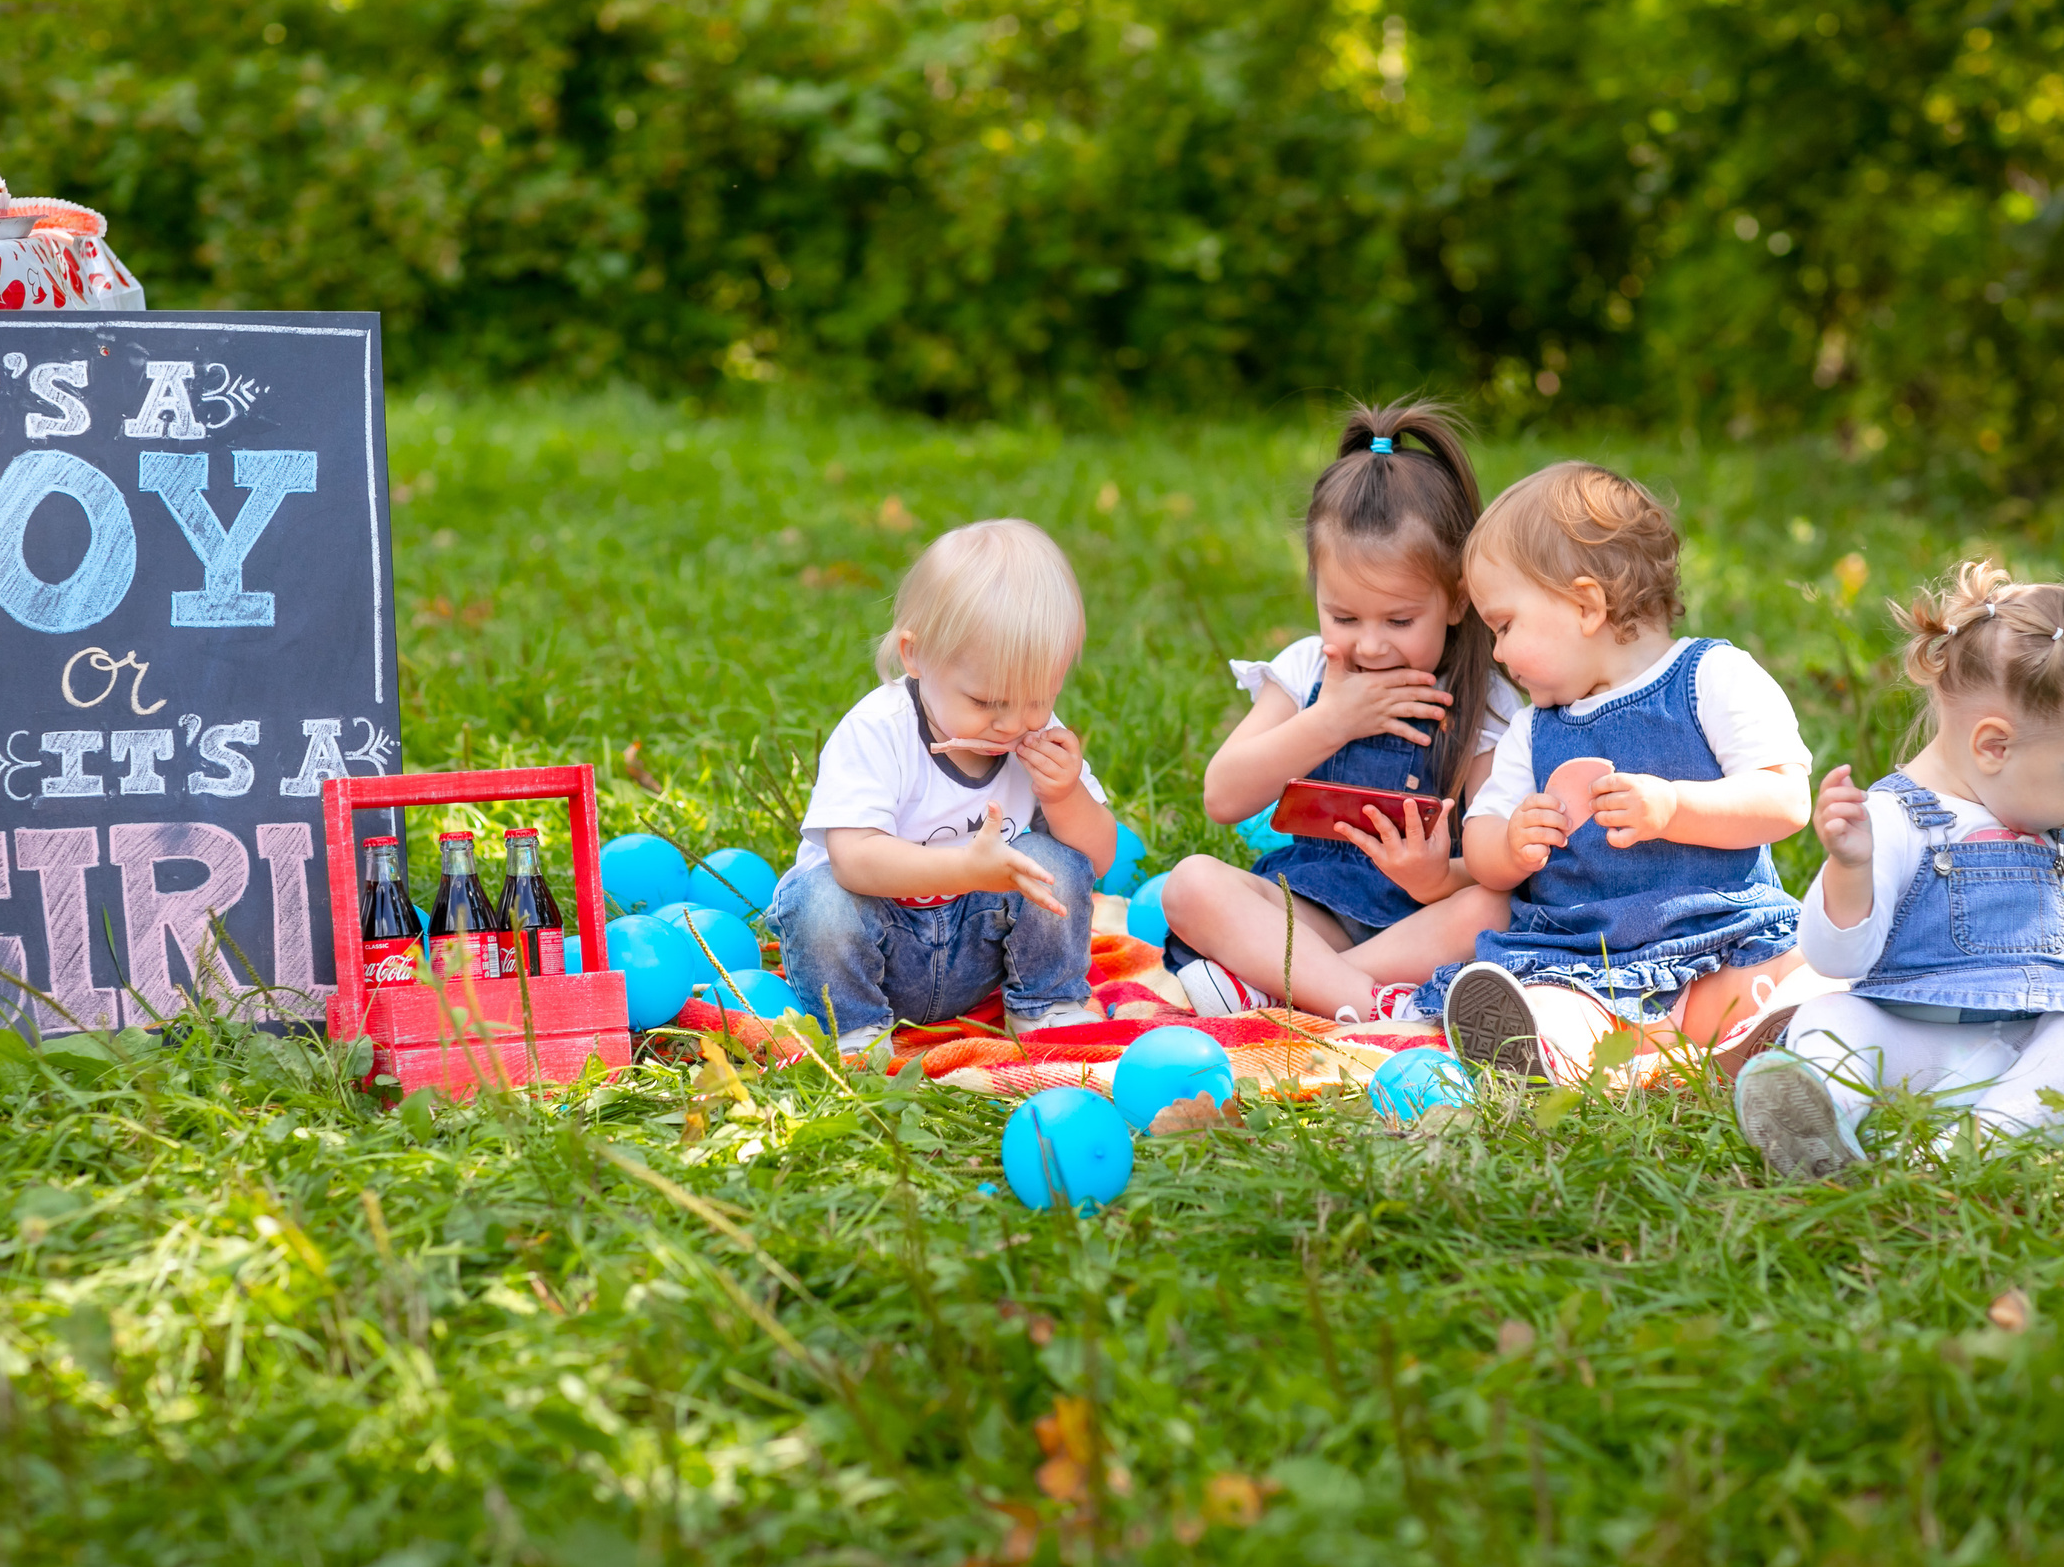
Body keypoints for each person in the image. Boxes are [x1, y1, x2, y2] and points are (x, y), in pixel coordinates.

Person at [1734, 562, 2064, 1176]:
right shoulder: (1893, 820)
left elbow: (2047, 878)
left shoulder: (2025, 817)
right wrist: (1849, 869)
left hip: (2028, 1049)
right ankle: (1818, 1115)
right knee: (1831, 1015)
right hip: (1912, 1041)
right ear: (1994, 746)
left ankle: (1964, 1152)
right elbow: (1834, 959)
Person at [1431, 461, 1813, 1081]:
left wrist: (1675, 809)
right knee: (1554, 1008)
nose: (1496, 652)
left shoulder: (1712, 677)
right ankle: (1549, 1049)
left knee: (1810, 975)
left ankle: (1766, 1035)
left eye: (1504, 626)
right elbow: (1479, 844)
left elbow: (1786, 799)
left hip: (1724, 941)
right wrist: (1510, 845)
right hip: (1585, 964)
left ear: (1586, 605)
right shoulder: (1532, 730)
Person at [1158, 403, 1520, 1023]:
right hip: (1306, 914)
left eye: (1400, 621)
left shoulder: (1482, 699)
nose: (1371, 645)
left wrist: (1436, 877)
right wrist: (1331, 720)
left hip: (1419, 924)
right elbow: (1222, 797)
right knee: (1190, 883)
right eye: (1344, 618)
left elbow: (1496, 859)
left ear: (1457, 601)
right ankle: (1376, 1004)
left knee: (1495, 910)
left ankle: (1289, 989)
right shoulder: (1305, 671)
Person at [771, 518, 1117, 1056]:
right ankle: (857, 1030)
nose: (1013, 724)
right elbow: (853, 861)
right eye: (986, 702)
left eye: (1037, 700)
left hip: (975, 950)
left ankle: (1045, 1004)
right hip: (879, 944)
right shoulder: (877, 732)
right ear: (915, 655)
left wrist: (1065, 796)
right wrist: (968, 870)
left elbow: (1096, 860)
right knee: (818, 901)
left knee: (1059, 862)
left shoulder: (1036, 738)